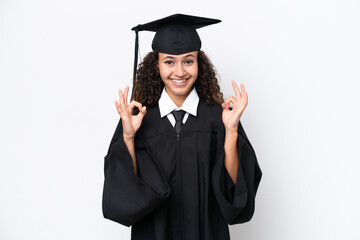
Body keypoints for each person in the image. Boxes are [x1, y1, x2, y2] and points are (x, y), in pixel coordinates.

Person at [102, 13, 262, 240]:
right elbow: (124, 195)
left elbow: (233, 193)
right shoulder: (137, 119)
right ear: (156, 65)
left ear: (199, 62)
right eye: (169, 62)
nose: (179, 72)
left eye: (188, 61)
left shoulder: (219, 117)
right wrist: (128, 137)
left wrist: (231, 130)